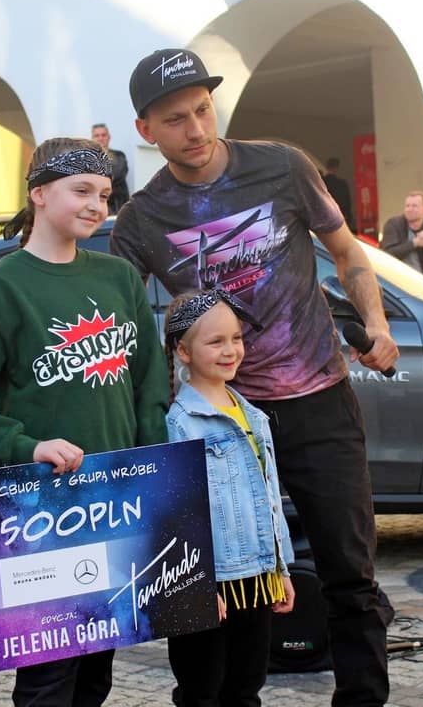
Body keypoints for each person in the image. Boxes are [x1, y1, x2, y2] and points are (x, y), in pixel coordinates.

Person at [111, 47, 398, 707]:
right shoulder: (144, 218)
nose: (196, 129)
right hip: (221, 421)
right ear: (145, 130)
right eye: (175, 119)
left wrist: (375, 322)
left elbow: (346, 250)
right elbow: (122, 319)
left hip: (318, 398)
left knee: (350, 573)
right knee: (221, 583)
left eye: (203, 110)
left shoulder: (281, 165)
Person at [0, 137, 170, 707]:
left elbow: (150, 388)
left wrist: (152, 468)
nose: (96, 205)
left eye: (104, 194)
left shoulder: (120, 280)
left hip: (118, 504)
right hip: (42, 514)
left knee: (97, 673)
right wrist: (26, 446)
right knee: (49, 676)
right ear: (39, 193)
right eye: (81, 191)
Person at [163, 288, 296, 707]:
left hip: (257, 578)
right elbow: (178, 513)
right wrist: (196, 584)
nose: (230, 350)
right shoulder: (181, 423)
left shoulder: (253, 415)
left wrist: (281, 569)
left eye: (236, 338)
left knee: (246, 687)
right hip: (209, 582)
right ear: (183, 351)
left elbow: (269, 498)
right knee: (201, 690)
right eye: (216, 341)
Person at [91, 123, 130, 215]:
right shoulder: (89, 158)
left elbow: (117, 175)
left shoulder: (119, 156)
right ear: (92, 138)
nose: (100, 138)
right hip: (96, 207)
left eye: (103, 135)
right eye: (97, 136)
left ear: (109, 137)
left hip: (118, 207)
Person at [322, 157, 354, 230]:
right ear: (337, 168)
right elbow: (347, 203)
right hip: (340, 217)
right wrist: (348, 216)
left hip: (325, 217)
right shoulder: (342, 184)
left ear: (327, 166)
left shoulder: (321, 183)